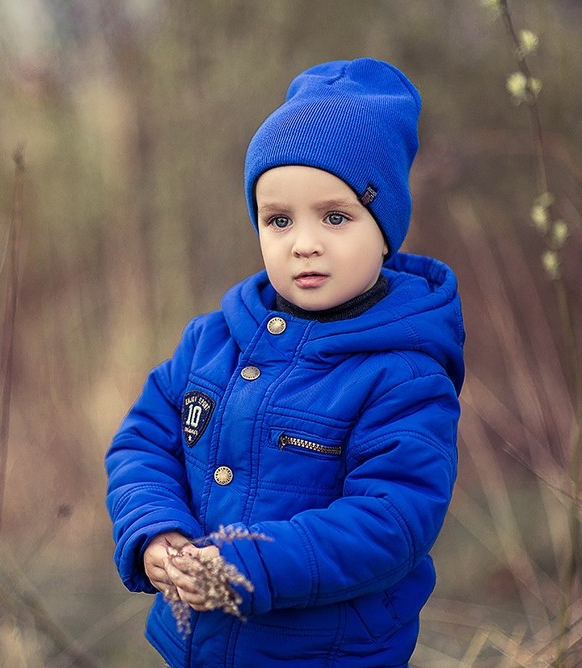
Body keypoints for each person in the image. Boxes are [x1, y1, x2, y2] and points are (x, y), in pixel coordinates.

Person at [105, 57, 465, 667]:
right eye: (278, 219)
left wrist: (245, 564)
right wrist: (155, 529)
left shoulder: (403, 374)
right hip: (199, 648)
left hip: (326, 653)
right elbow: (142, 441)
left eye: (335, 216)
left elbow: (391, 520)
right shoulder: (211, 342)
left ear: (384, 230)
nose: (304, 242)